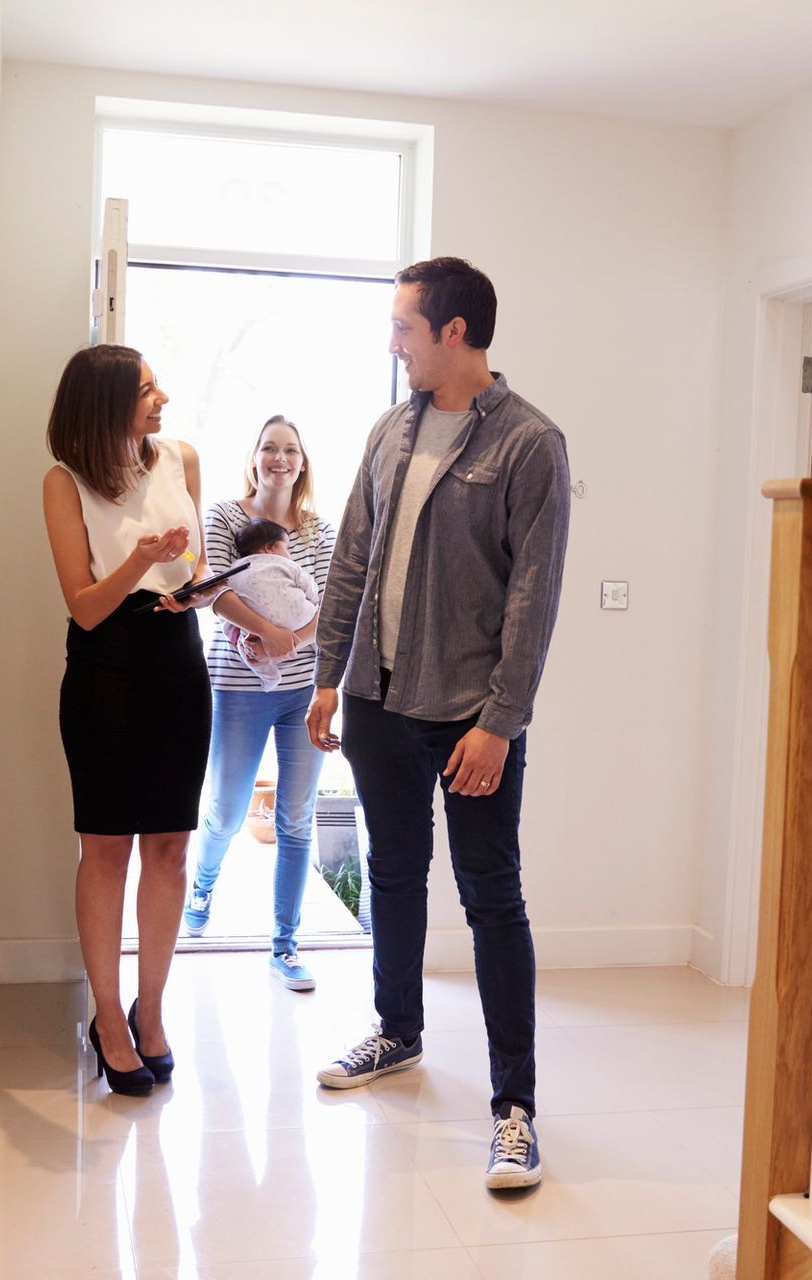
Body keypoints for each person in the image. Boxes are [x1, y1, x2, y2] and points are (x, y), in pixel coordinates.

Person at [305, 258, 571, 1190]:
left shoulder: (530, 445)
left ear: (454, 331)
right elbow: (349, 562)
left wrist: (501, 721)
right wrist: (330, 677)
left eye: (404, 327)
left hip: (470, 720)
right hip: (379, 701)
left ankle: (515, 1108)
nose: (393, 342)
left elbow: (533, 601)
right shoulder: (391, 430)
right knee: (391, 872)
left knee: (492, 896)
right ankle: (399, 1033)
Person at [40, 343, 223, 1096]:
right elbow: (83, 606)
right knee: (107, 847)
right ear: (105, 403)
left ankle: (152, 1012)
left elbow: (200, 571)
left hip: (179, 660)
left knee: (172, 847)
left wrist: (207, 587)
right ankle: (108, 1017)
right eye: (147, 390)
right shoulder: (65, 481)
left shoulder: (180, 458)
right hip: (106, 667)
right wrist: (140, 560)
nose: (163, 399)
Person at [184, 416, 339, 992]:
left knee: (297, 817)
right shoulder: (225, 516)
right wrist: (264, 632)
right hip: (236, 687)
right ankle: (202, 884)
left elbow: (332, 606)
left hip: (304, 690)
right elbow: (212, 589)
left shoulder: (321, 533)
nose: (279, 458)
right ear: (253, 458)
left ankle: (285, 944)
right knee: (224, 810)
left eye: (290, 450)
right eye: (269, 448)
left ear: (303, 463)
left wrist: (291, 642)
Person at [215, 518, 321, 691]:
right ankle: (318, 650)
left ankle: (269, 677)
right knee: (316, 615)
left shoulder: (233, 571)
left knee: (237, 634)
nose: (289, 555)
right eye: (286, 548)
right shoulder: (287, 564)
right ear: (269, 548)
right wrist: (313, 600)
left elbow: (221, 598)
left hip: (254, 630)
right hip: (300, 618)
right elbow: (309, 586)